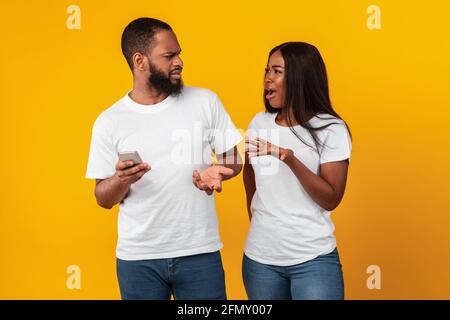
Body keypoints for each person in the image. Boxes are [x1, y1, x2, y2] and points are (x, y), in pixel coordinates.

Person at [85, 17, 242, 300]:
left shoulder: (205, 101)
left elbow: (234, 159)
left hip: (199, 253)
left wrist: (220, 171)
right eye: (169, 56)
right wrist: (121, 180)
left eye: (179, 53)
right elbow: (103, 198)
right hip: (138, 260)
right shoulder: (109, 122)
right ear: (140, 60)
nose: (179, 62)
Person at [242, 42, 352, 300]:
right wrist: (260, 221)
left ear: (300, 77)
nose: (268, 78)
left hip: (313, 261)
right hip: (260, 262)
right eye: (267, 70)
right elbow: (250, 176)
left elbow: (331, 198)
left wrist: (289, 158)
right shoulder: (259, 123)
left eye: (277, 71)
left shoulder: (331, 129)